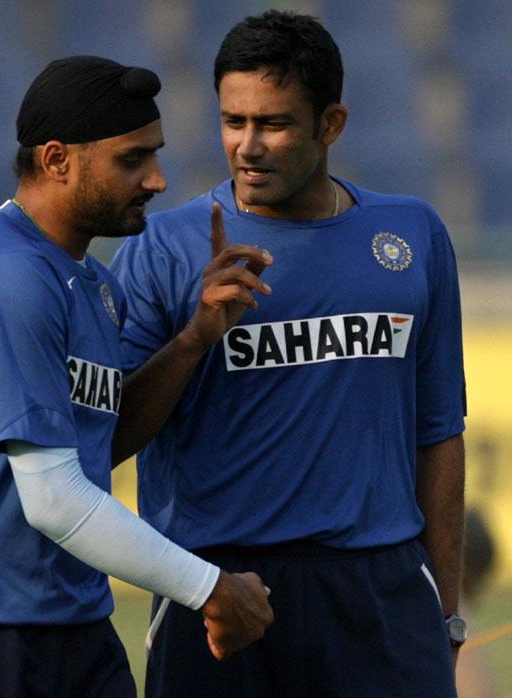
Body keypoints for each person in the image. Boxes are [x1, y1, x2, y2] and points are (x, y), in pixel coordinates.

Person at [0, 56, 273, 698]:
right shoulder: (5, 279)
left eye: (155, 156)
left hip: (72, 625)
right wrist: (210, 588)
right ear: (56, 160)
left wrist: (193, 339)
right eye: (132, 160)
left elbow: (94, 447)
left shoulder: (93, 285)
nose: (158, 180)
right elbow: (53, 499)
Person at [110, 11, 467, 698]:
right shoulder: (164, 249)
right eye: (232, 121)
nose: (247, 145)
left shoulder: (413, 234)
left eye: (272, 123)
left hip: (380, 590)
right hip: (219, 593)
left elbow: (438, 436)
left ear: (330, 124)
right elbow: (107, 439)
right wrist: (192, 341)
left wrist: (442, 616)